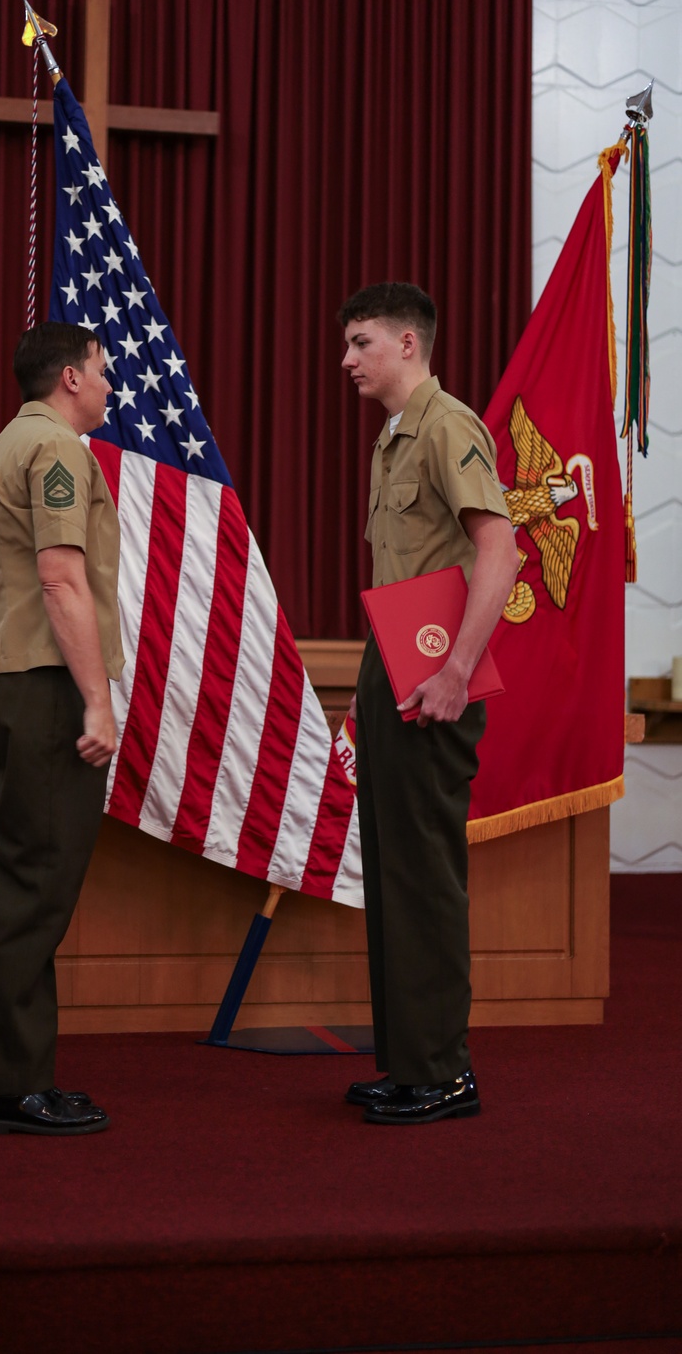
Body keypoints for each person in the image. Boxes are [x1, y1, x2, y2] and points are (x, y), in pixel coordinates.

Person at [339, 282, 519, 1124]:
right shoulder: (391, 439)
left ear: (409, 343)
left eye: (361, 342)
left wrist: (456, 673)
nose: (348, 360)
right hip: (394, 664)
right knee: (394, 872)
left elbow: (501, 551)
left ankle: (444, 1071)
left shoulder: (449, 427)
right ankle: (412, 1062)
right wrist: (371, 681)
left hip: (437, 678)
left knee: (427, 873)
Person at [0, 322, 124, 1137]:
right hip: (40, 686)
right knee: (35, 889)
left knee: (18, 885)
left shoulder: (4, 445)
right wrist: (97, 701)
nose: (108, 385)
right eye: (101, 370)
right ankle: (9, 1085)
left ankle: (7, 1072)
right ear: (68, 376)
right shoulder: (58, 451)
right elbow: (63, 580)